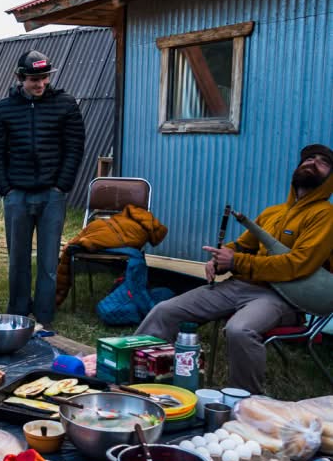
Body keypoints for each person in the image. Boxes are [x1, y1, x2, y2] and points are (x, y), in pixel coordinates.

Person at [137, 144, 333, 394]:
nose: (311, 163)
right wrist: (219, 259)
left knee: (240, 330)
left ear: (330, 178)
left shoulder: (326, 216)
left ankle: (245, 402)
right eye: (307, 159)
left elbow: (299, 264)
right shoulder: (273, 212)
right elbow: (243, 246)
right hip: (241, 285)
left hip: (282, 298)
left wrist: (237, 262)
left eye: (322, 161)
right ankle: (134, 376)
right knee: (164, 311)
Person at [0, 49, 85, 326]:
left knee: (48, 262)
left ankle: (43, 316)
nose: (40, 84)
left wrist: (61, 185)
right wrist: (5, 188)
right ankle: (18, 314)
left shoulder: (65, 104)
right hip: (17, 194)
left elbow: (74, 147)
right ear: (20, 78)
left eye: (44, 78)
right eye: (33, 79)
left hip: (52, 195)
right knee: (17, 260)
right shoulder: (4, 108)